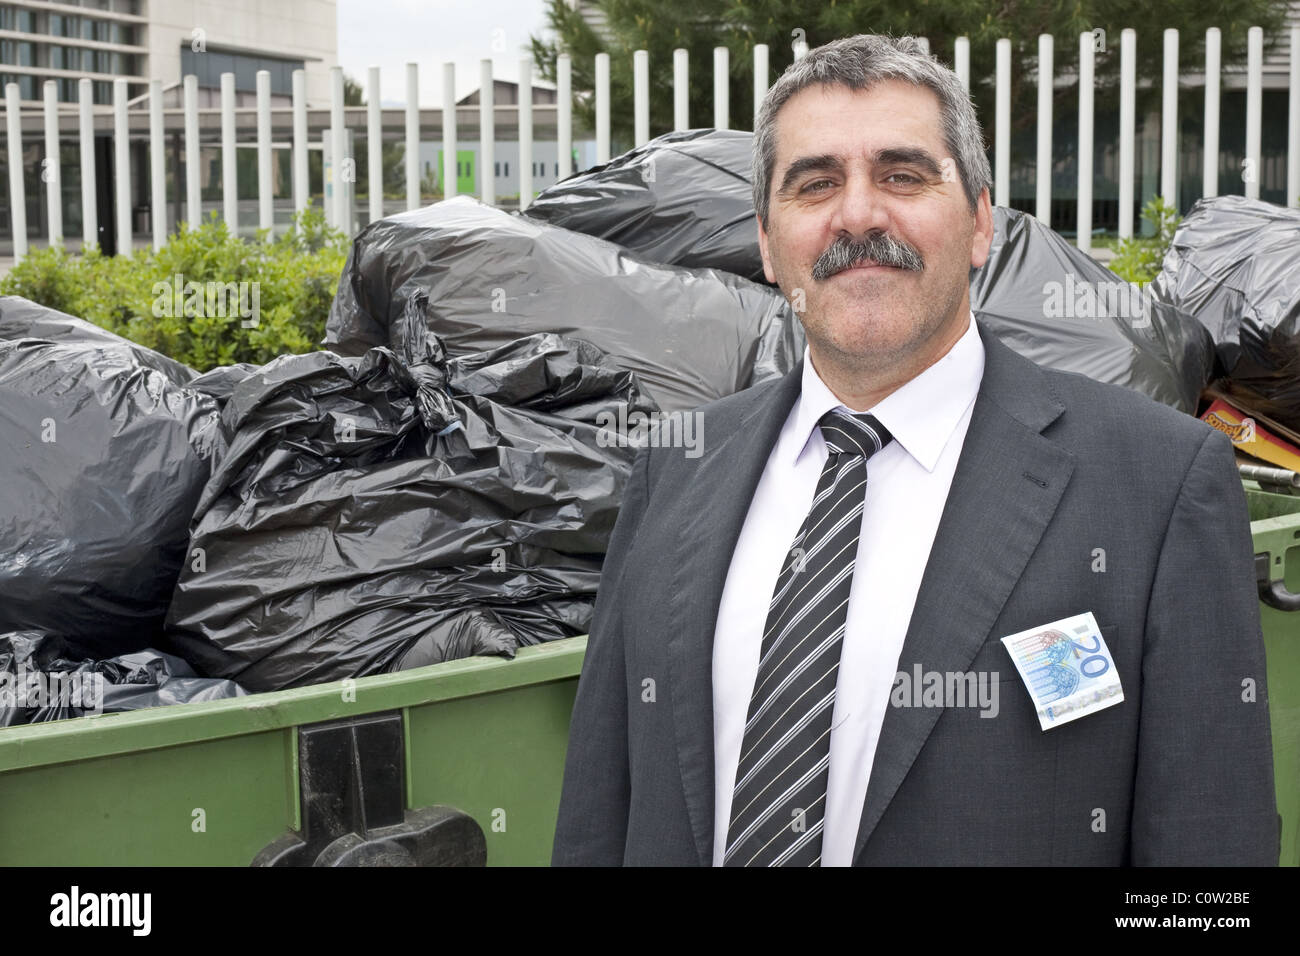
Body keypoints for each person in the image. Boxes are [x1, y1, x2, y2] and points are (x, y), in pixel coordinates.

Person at [551, 33, 1279, 866]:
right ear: (766, 240)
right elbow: (599, 814)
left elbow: (1211, 855)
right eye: (816, 183)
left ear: (978, 224)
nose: (858, 214)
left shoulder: (1158, 484)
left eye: (902, 175)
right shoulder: (676, 468)